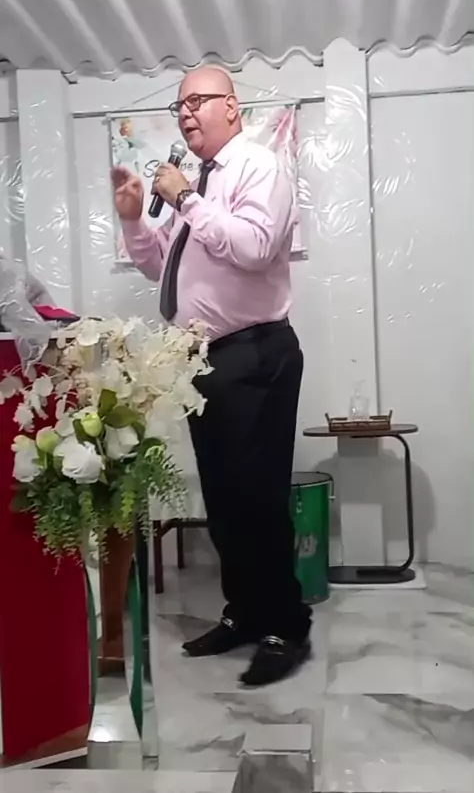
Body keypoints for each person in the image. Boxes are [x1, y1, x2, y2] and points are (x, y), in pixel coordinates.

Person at [111, 66, 311, 687]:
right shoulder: (197, 180)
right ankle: (245, 613)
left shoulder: (257, 166)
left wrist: (184, 200)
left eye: (197, 101)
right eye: (179, 105)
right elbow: (159, 267)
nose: (185, 113)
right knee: (224, 500)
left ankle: (285, 626)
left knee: (258, 498)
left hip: (255, 353)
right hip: (203, 361)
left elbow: (254, 247)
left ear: (232, 106)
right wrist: (134, 220)